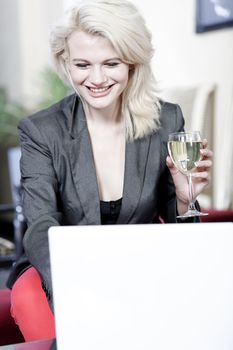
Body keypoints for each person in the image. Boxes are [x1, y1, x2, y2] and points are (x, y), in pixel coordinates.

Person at [10, 0, 213, 342]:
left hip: (142, 265)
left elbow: (176, 227)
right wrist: (86, 284)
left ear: (132, 63)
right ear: (66, 62)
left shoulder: (167, 120)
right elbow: (41, 225)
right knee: (37, 301)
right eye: (83, 65)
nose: (97, 79)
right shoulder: (41, 130)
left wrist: (182, 198)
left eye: (111, 63)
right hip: (65, 270)